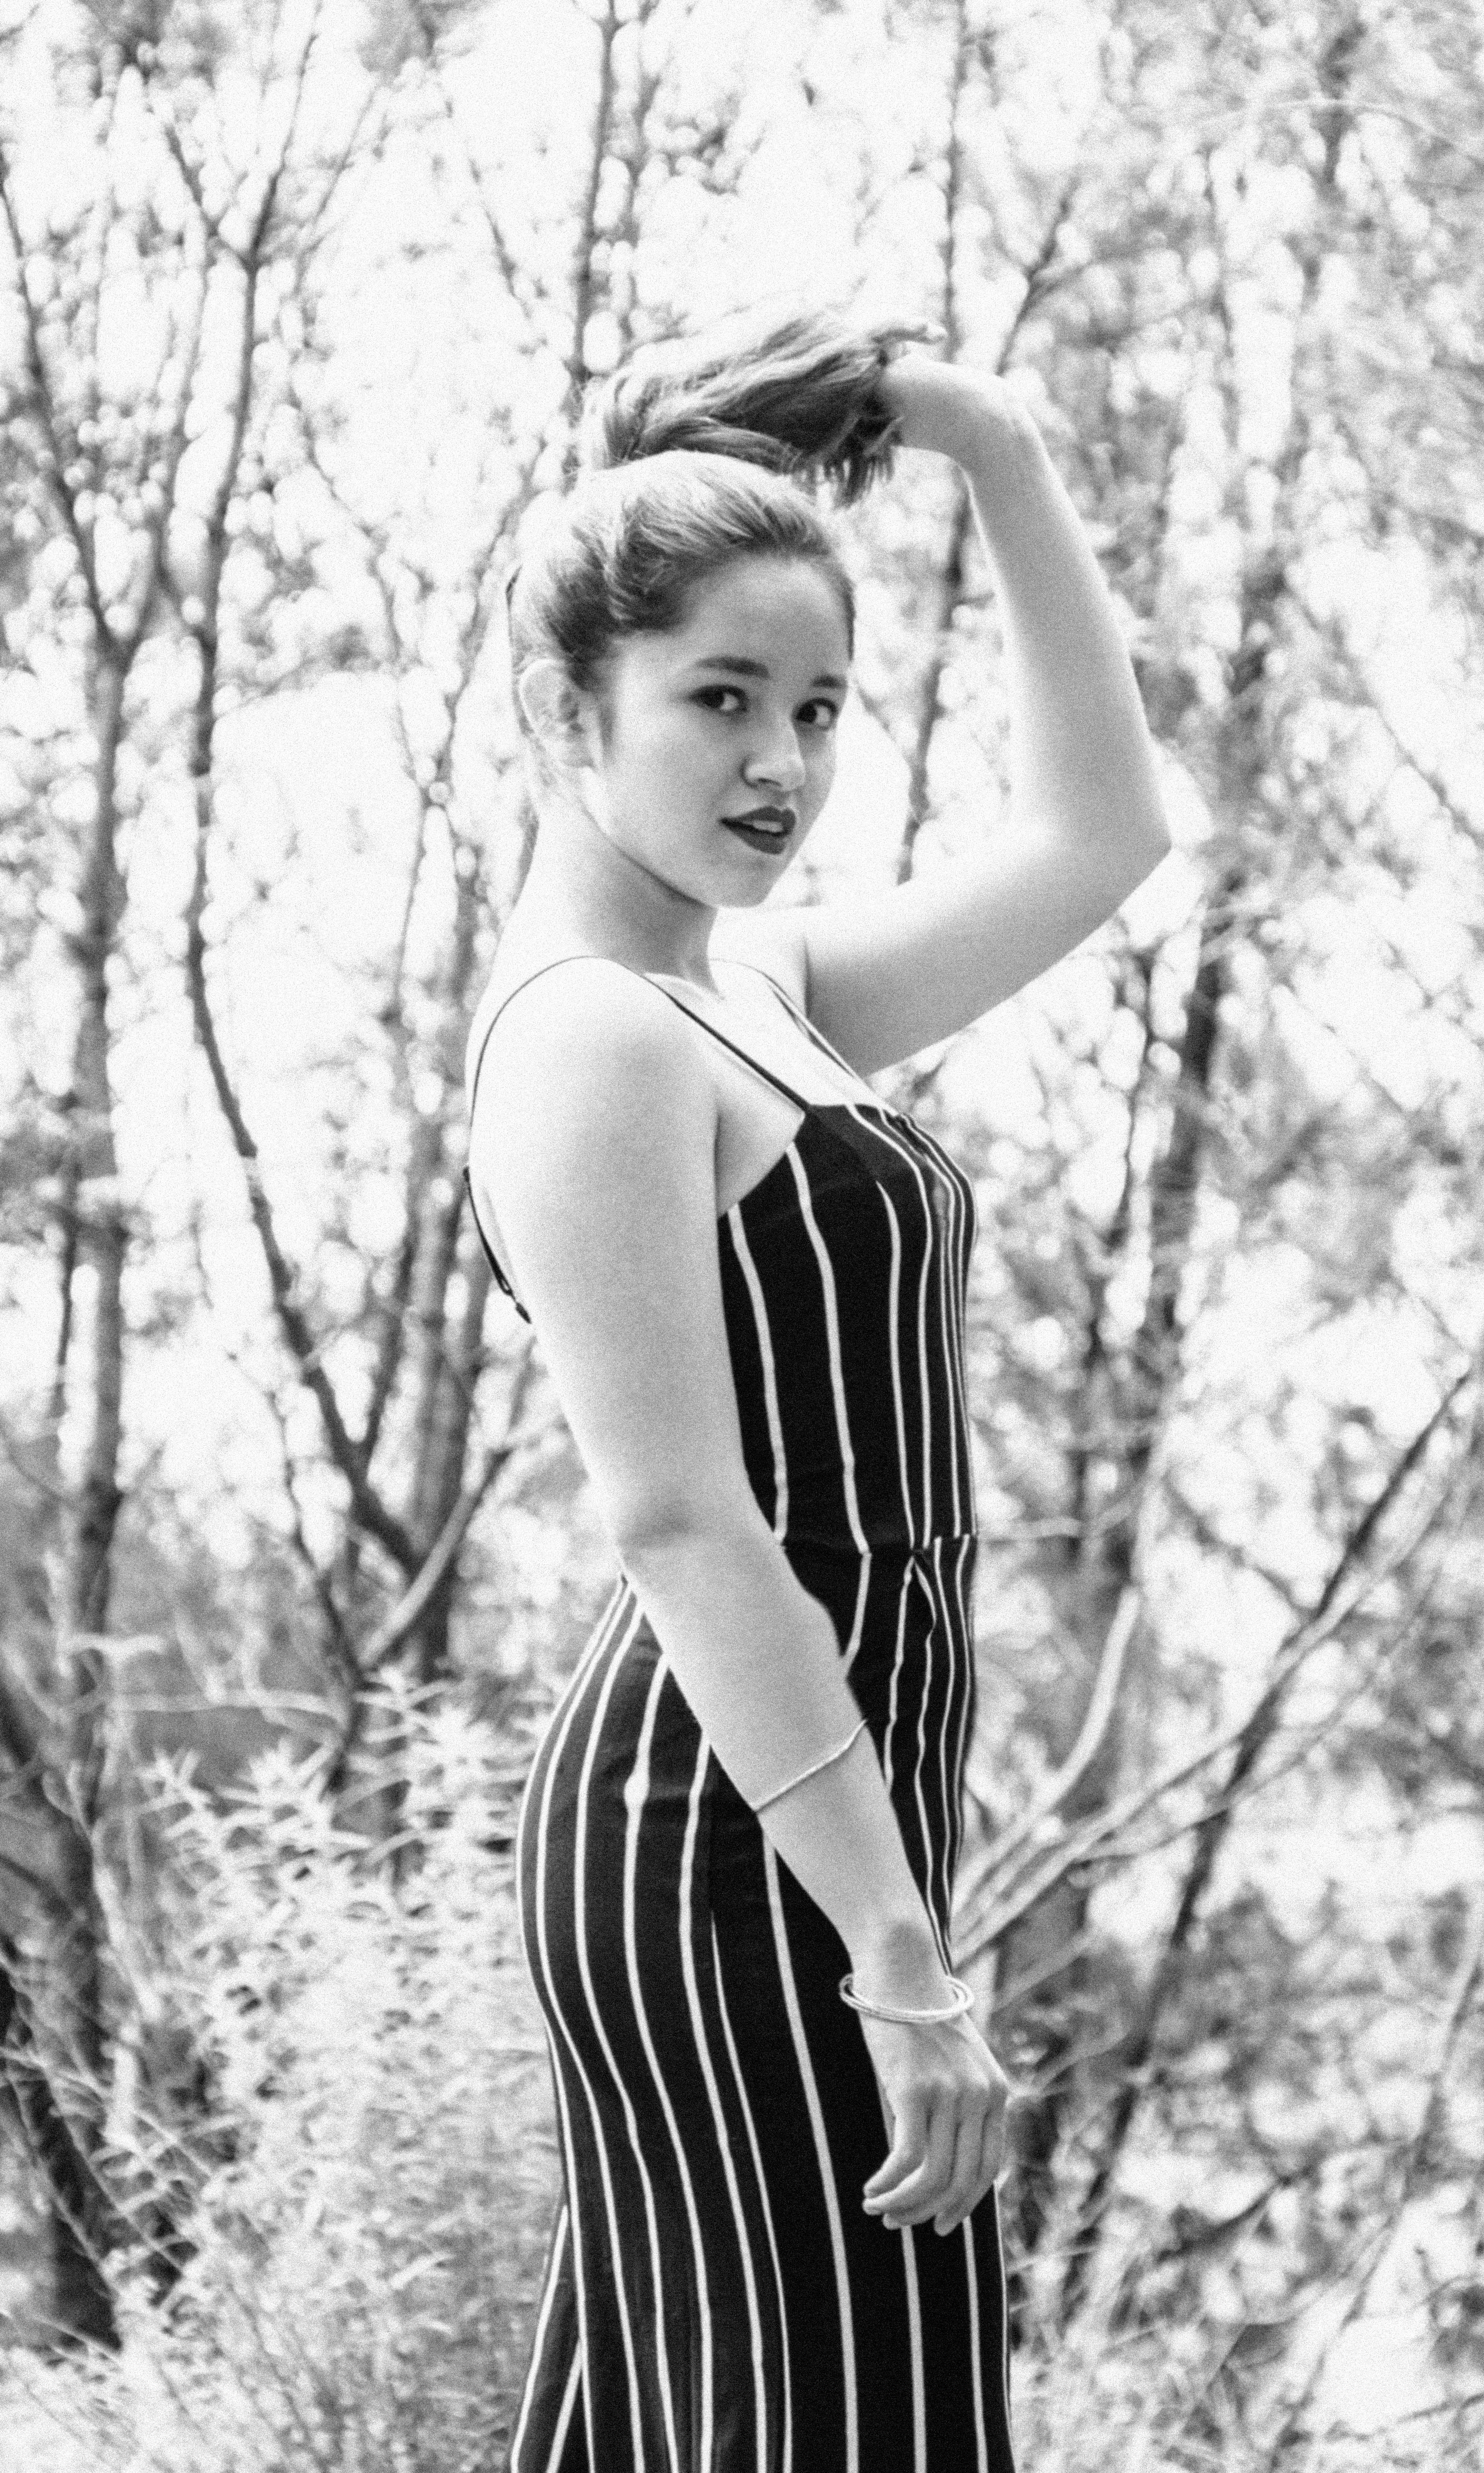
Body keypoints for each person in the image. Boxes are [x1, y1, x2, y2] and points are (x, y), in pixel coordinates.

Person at [462, 310, 1170, 2473]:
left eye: (819, 707)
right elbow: (682, 1521)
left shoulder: (750, 982)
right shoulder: (595, 1032)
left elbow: (1107, 831)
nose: (778, 761)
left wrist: (994, 441)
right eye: (716, 701)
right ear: (570, 708)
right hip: (730, 1832)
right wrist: (896, 1950)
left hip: (833, 1805)